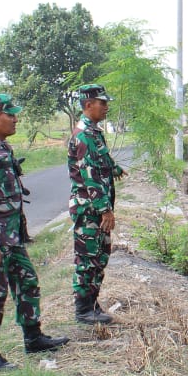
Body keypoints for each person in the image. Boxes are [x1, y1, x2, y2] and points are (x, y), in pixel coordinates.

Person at [0, 94, 69, 370]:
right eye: (11, 115)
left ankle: (33, 337)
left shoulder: (1, 147)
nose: (16, 119)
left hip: (10, 237)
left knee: (28, 283)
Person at [68, 84, 126, 325]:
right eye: (102, 103)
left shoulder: (94, 133)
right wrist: (105, 210)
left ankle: (92, 303)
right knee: (88, 258)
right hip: (89, 210)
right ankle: (83, 309)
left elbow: (101, 160)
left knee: (100, 256)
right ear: (88, 104)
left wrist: (114, 169)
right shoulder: (83, 136)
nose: (106, 107)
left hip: (96, 209)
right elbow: (90, 177)